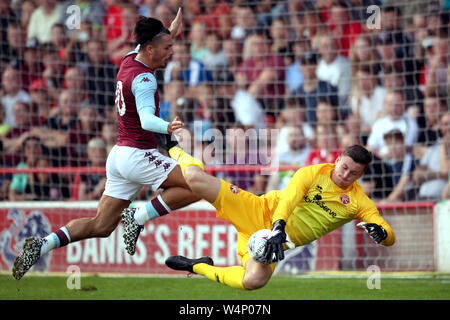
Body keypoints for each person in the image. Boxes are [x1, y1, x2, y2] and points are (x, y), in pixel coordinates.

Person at [12, 9, 203, 280]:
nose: (171, 52)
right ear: (150, 49)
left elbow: (152, 42)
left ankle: (42, 244)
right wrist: (168, 127)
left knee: (101, 226)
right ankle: (139, 217)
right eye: (167, 47)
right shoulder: (145, 79)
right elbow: (148, 120)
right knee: (197, 185)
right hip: (139, 154)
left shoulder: (129, 60)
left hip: (119, 156)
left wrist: (170, 30)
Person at [165, 144, 395, 290]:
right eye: (343, 167)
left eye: (353, 173)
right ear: (337, 160)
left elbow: (387, 234)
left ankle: (198, 267)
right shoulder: (312, 173)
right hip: (257, 211)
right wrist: (278, 227)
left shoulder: (358, 202)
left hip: (269, 244)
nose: (345, 175)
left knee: (254, 281)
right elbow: (289, 200)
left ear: (361, 174)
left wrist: (383, 234)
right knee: (195, 179)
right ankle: (174, 148)